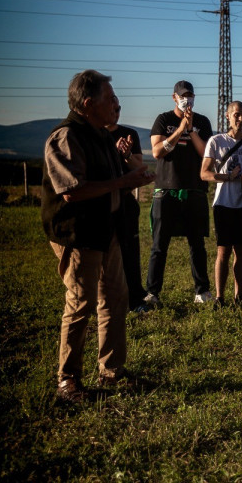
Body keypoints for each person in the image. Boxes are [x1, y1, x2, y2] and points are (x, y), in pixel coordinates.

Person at [41, 69, 155, 402]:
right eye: (111, 98)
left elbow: (114, 179)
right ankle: (68, 381)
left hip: (107, 231)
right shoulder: (67, 137)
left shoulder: (102, 136)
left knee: (116, 299)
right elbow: (72, 191)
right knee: (81, 304)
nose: (117, 104)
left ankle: (112, 371)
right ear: (88, 103)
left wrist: (132, 174)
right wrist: (122, 183)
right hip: (78, 234)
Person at [144, 81, 214, 306]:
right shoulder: (163, 120)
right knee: (159, 246)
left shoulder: (202, 122)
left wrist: (191, 129)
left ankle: (202, 291)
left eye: (190, 95)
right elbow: (157, 152)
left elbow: (205, 153)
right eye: (183, 96)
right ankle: (152, 293)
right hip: (166, 190)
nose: (187, 99)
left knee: (197, 245)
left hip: (195, 189)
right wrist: (180, 129)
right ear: (174, 97)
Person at [200, 101, 242, 309]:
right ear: (228, 116)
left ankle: (239, 295)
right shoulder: (216, 141)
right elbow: (204, 173)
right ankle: (219, 297)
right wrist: (227, 177)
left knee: (241, 251)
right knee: (223, 251)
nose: (240, 119)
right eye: (236, 114)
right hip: (223, 203)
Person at [105, 95, 147, 313]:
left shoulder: (129, 134)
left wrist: (127, 154)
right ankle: (107, 300)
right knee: (104, 255)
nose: (116, 113)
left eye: (119, 108)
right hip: (101, 204)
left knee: (130, 252)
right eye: (112, 109)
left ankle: (136, 299)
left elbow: (138, 166)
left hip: (125, 202)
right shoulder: (93, 135)